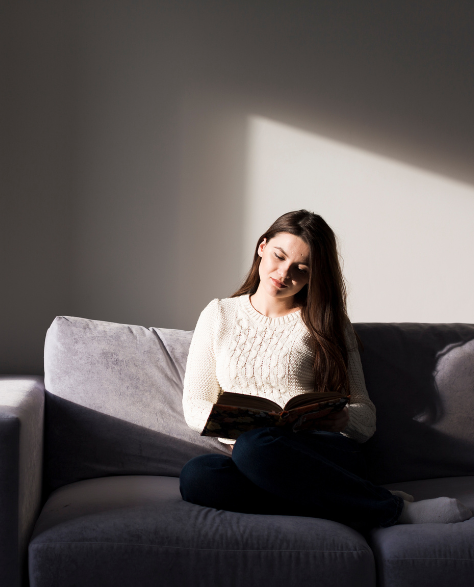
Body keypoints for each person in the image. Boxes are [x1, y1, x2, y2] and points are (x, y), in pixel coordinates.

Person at [179, 209, 472, 532]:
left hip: (322, 453)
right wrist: (240, 427)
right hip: (259, 458)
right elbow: (195, 405)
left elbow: (366, 415)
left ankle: (394, 510)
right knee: (198, 476)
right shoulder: (219, 314)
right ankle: (357, 503)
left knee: (254, 448)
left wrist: (344, 418)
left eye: (301, 269)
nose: (283, 272)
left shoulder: (326, 322)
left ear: (313, 276)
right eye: (278, 256)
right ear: (262, 246)